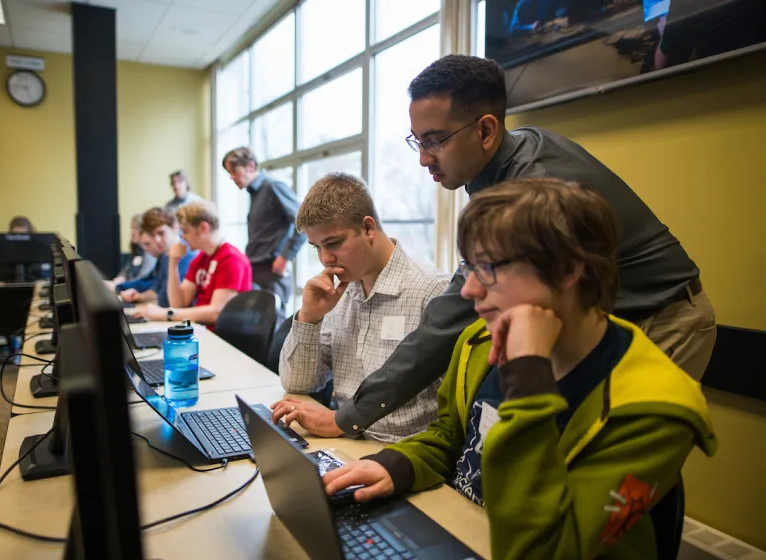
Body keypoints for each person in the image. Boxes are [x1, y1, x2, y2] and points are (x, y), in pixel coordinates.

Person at [294, 54, 715, 439]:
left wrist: (349, 417)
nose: (423, 158)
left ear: (486, 130)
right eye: (417, 141)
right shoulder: (501, 165)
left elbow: (451, 316)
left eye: (435, 141)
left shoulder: (531, 185)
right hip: (610, 319)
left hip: (662, 316)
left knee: (612, 462)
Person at [322, 178, 717, 559]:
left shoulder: (656, 409)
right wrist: (398, 465)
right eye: (469, 267)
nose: (469, 290)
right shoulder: (479, 340)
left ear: (566, 270)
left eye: (488, 268)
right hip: (467, 530)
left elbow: (546, 550)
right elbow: (452, 437)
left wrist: (528, 376)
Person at [270, 173, 450, 444]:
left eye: (333, 243)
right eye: (317, 247)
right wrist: (309, 318)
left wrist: (336, 421)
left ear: (368, 228)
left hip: (401, 449)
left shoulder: (433, 290)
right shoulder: (338, 292)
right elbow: (298, 384)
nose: (325, 258)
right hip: (343, 440)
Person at [134, 201, 252, 328]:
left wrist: (166, 313)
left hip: (219, 335)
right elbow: (178, 304)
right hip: (201, 330)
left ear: (203, 228)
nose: (183, 237)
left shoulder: (231, 259)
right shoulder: (201, 259)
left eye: (185, 231)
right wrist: (173, 263)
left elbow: (216, 312)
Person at [222, 147, 305, 324]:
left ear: (251, 166)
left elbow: (304, 221)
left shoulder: (273, 187)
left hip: (272, 271)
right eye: (229, 173)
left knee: (272, 327)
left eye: (234, 171)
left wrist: (286, 256)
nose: (231, 177)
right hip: (256, 268)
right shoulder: (255, 193)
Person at [121, 207, 198, 308]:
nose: (157, 240)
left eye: (161, 233)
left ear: (175, 227)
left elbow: (170, 301)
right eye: (153, 235)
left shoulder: (187, 254)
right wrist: (141, 296)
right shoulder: (164, 255)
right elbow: (157, 289)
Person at [106, 213, 157, 291]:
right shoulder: (137, 250)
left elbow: (143, 278)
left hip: (135, 290)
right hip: (127, 288)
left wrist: (121, 286)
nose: (132, 232)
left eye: (135, 228)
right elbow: (127, 270)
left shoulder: (149, 252)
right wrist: (120, 278)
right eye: (131, 228)